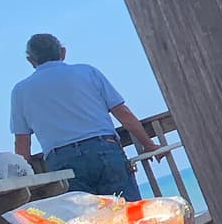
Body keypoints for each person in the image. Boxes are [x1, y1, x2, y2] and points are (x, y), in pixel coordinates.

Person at [9, 33, 158, 198]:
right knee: (126, 208)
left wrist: (23, 180)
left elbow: (22, 142)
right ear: (63, 52)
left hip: (62, 161)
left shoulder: (20, 91)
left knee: (83, 213)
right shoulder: (87, 72)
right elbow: (123, 113)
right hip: (104, 149)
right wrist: (148, 144)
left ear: (31, 60)